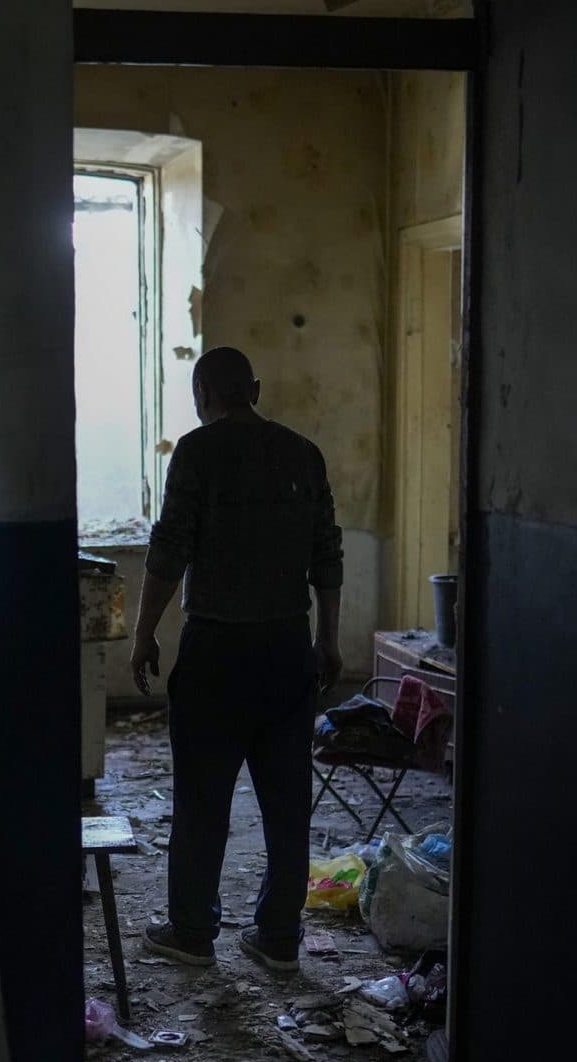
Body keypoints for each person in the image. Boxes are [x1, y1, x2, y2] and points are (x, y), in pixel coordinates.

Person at [131, 346, 343, 972]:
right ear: (255, 386)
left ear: (203, 397)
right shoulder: (303, 453)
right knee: (285, 799)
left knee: (202, 799)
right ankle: (279, 936)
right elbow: (326, 554)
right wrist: (328, 640)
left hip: (216, 651)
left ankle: (193, 930)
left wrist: (143, 634)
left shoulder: (198, 452)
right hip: (286, 648)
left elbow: (169, 552)